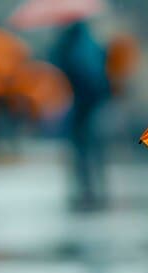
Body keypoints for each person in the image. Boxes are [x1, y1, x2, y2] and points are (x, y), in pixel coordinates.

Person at [51, 21, 111, 211]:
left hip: (79, 105)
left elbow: (61, 69)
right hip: (94, 105)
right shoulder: (92, 44)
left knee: (80, 149)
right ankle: (97, 190)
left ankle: (85, 190)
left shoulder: (70, 46)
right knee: (92, 148)